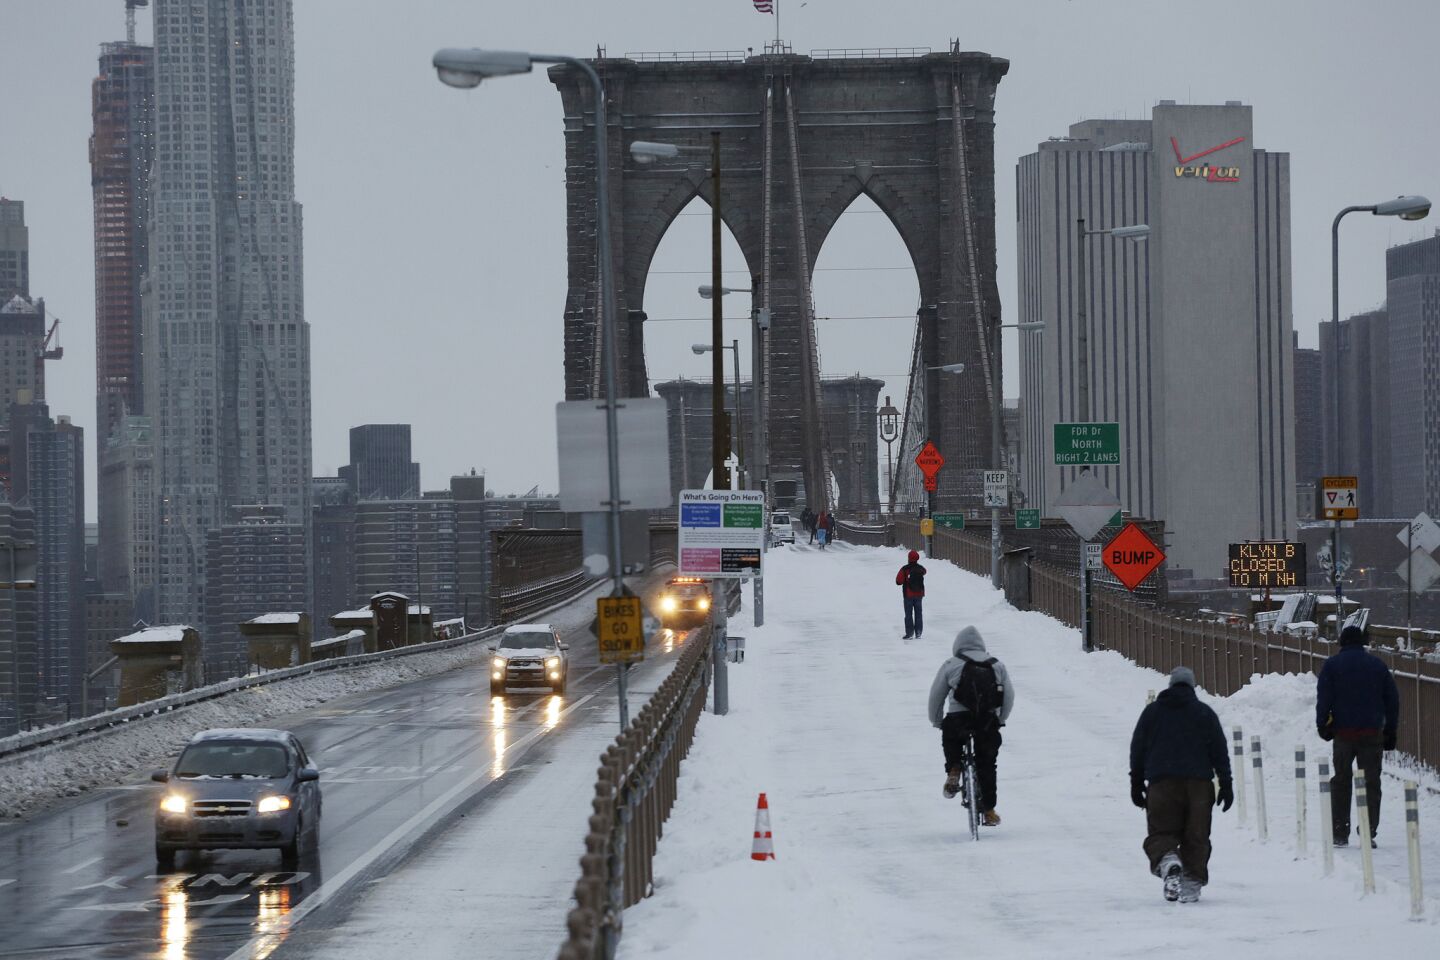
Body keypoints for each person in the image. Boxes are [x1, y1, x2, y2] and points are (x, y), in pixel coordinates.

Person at [1129, 667, 1232, 903]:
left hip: (1162, 784)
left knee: (1161, 832)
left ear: (1171, 685)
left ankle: (1168, 860)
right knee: (1196, 835)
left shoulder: (1152, 713)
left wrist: (1136, 782)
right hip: (1198, 786)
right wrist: (1226, 784)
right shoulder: (1204, 713)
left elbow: (1138, 749)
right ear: (1192, 687)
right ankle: (1192, 883)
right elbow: (1219, 751)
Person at [1316, 624, 1400, 848]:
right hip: (1371, 734)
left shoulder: (1332, 666)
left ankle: (1339, 831)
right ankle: (1367, 830)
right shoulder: (1377, 666)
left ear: (1342, 642)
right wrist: (1390, 730)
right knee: (1371, 782)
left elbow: (1324, 697)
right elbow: (1392, 700)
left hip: (1343, 734)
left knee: (1341, 781)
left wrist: (1322, 724)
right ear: (1363, 642)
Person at [927, 626, 1014, 826]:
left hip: (958, 718)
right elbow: (1009, 695)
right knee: (988, 764)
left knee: (952, 739)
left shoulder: (951, 664)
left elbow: (936, 697)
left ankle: (954, 769)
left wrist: (938, 721)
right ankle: (989, 811)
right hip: (987, 721)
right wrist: (1000, 719)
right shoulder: (996, 665)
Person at [895, 549, 926, 639]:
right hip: (919, 594)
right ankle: (918, 632)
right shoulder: (921, 568)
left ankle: (909, 633)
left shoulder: (905, 569)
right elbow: (925, 571)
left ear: (908, 558)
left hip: (908, 595)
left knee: (908, 614)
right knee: (918, 614)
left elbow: (898, 581)